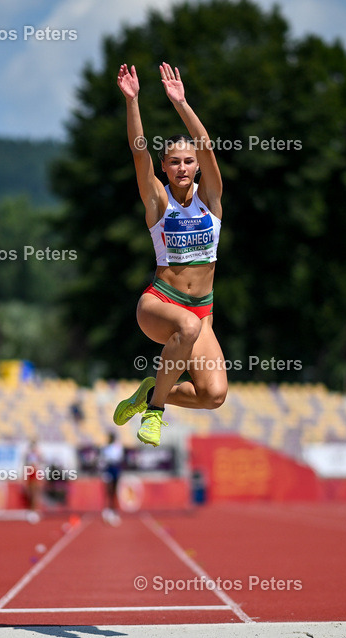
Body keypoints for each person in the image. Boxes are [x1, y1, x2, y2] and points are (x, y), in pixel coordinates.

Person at [113, 62, 228, 447]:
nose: (182, 167)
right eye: (174, 161)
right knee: (188, 328)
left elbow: (207, 145)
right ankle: (156, 411)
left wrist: (181, 103)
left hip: (202, 312)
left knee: (213, 395)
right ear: (164, 167)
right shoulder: (159, 202)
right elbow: (137, 151)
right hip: (160, 305)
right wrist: (133, 102)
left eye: (188, 161)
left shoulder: (210, 200)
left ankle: (150, 392)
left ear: (197, 167)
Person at [101, 432, 124, 525]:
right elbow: (104, 459)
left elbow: (118, 458)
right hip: (108, 469)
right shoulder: (105, 447)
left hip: (115, 468)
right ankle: (108, 509)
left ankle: (114, 510)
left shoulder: (117, 447)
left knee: (115, 490)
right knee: (108, 490)